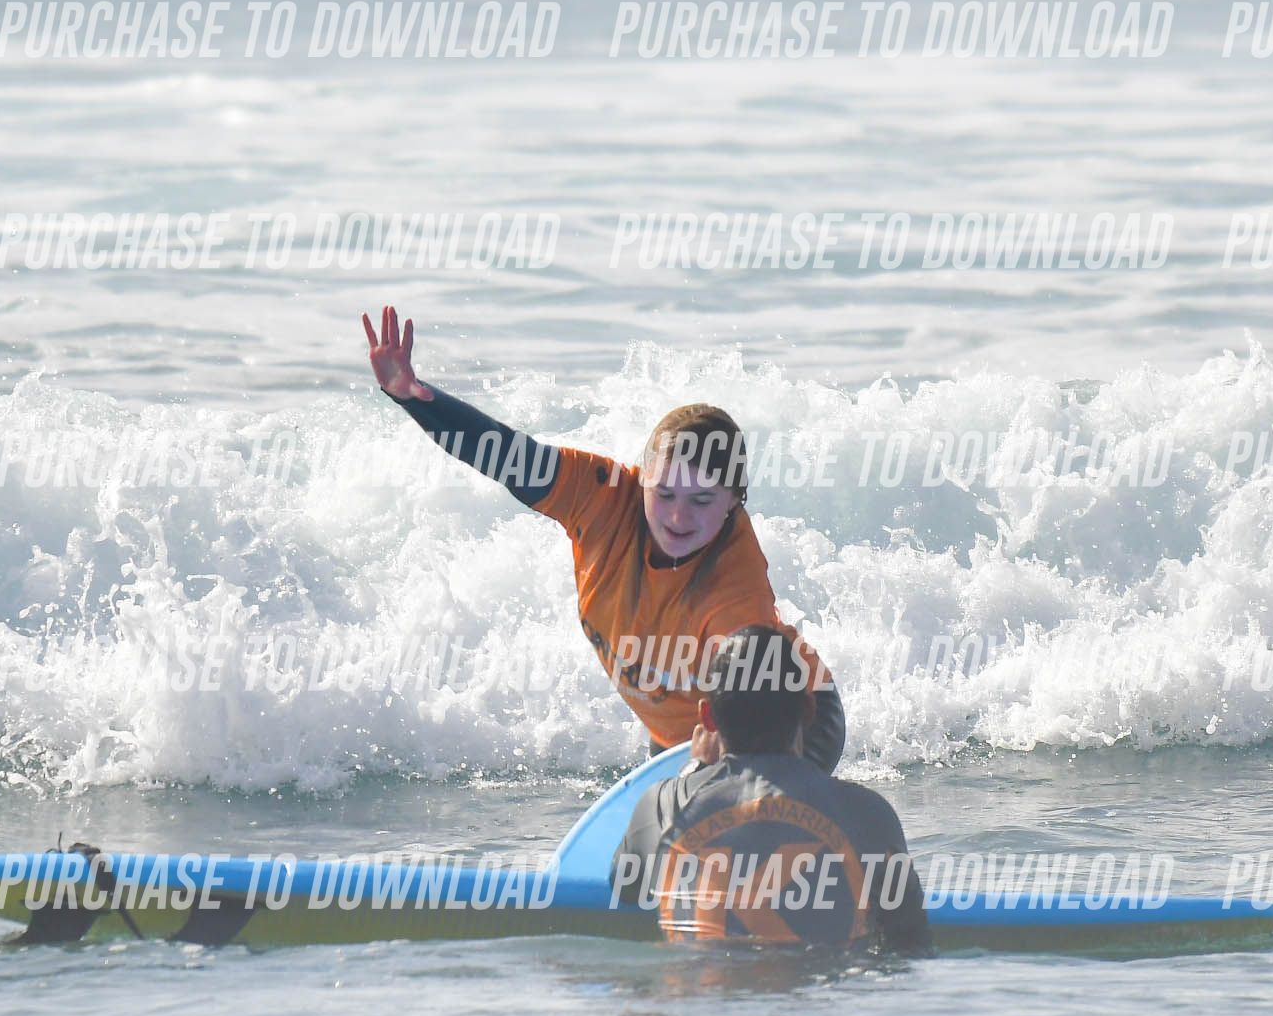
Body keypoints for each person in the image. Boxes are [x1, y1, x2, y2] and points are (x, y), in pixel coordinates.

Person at [362, 304, 844, 771]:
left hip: (788, 722)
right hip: (676, 735)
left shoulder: (736, 590)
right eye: (664, 493)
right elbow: (507, 456)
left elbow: (752, 716)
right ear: (642, 477)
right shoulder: (604, 498)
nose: (678, 516)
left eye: (701, 500)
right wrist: (412, 396)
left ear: (735, 501)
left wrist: (721, 774)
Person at [613, 626, 929, 955]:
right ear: (809, 710)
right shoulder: (870, 814)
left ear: (707, 718)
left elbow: (627, 888)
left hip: (699, 986)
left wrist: (695, 771)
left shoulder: (662, 806)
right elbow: (910, 945)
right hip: (827, 986)